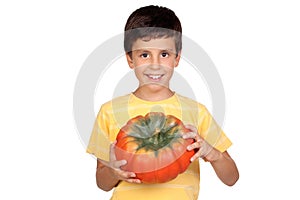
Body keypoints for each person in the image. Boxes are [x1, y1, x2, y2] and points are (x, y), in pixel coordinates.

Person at [87, 5, 239, 200]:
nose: (155, 64)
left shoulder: (196, 111)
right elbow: (102, 183)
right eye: (144, 55)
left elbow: (232, 178)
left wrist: (212, 153)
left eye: (164, 54)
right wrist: (112, 173)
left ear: (177, 58)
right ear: (130, 59)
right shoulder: (109, 111)